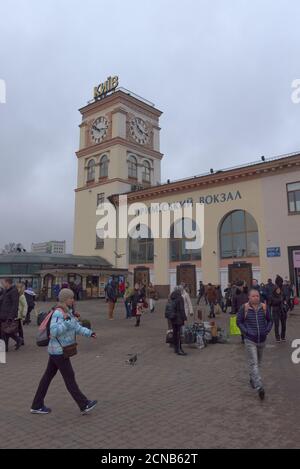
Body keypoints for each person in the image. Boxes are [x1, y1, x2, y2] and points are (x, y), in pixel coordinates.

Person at [31, 288, 97, 415]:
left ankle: (36, 405)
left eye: (73, 297)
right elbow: (54, 331)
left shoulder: (68, 311)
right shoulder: (58, 313)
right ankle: (84, 404)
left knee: (47, 377)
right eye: (70, 298)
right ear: (64, 299)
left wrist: (89, 333)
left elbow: (76, 327)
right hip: (59, 351)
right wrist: (66, 322)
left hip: (57, 350)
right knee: (69, 377)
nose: (73, 300)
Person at [237, 289, 273, 400]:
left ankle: (253, 378)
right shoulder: (245, 308)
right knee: (254, 363)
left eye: (257, 296)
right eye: (253, 296)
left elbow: (270, 320)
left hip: (262, 339)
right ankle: (259, 387)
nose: (256, 298)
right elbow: (239, 322)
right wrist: (246, 332)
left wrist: (266, 330)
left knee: (259, 363)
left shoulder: (264, 307)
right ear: (249, 297)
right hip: (250, 340)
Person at [0, 278, 23, 352]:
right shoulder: (5, 291)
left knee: (5, 331)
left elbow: (15, 305)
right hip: (2, 313)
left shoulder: (14, 291)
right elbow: (2, 301)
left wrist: (11, 316)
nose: (2, 284)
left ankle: (6, 347)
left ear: (7, 283)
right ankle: (18, 340)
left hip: (8, 314)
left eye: (3, 282)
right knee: (4, 331)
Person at [167, 287, 187, 356]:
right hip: (178, 318)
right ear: (180, 291)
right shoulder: (180, 298)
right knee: (179, 334)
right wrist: (184, 318)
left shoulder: (171, 297)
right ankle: (179, 349)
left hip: (172, 318)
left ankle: (175, 348)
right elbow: (182, 309)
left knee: (175, 333)